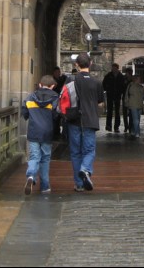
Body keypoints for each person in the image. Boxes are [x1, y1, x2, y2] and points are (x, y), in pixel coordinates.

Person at [65, 52, 105, 192]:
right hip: (90, 120)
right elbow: (100, 102)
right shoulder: (97, 82)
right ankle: (85, 169)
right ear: (91, 63)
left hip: (74, 120)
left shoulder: (71, 81)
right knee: (89, 150)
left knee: (75, 152)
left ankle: (79, 184)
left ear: (76, 65)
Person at [21, 74, 59, 195]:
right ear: (52, 86)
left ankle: (31, 176)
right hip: (47, 132)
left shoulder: (31, 97)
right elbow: (56, 115)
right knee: (45, 158)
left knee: (34, 157)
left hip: (33, 131)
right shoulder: (55, 97)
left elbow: (25, 112)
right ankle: (45, 186)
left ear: (40, 85)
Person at [124, 74, 144, 138]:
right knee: (136, 120)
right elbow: (126, 95)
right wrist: (127, 104)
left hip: (139, 105)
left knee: (137, 120)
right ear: (136, 79)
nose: (140, 80)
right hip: (133, 105)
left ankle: (133, 130)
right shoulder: (130, 86)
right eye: (139, 79)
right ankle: (137, 132)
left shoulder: (140, 87)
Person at [102, 63, 126, 132]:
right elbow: (104, 84)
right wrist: (107, 89)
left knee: (117, 112)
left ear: (117, 68)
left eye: (114, 68)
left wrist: (121, 92)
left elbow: (123, 86)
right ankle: (108, 126)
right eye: (112, 68)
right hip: (110, 95)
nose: (113, 70)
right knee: (109, 111)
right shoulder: (108, 75)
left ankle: (116, 127)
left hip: (117, 95)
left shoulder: (121, 76)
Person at [121, 67, 134, 133]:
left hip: (131, 98)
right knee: (125, 113)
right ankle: (126, 126)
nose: (127, 74)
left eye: (128, 73)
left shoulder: (133, 80)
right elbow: (121, 87)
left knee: (131, 112)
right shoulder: (123, 79)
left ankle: (130, 126)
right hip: (125, 97)